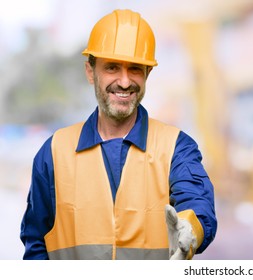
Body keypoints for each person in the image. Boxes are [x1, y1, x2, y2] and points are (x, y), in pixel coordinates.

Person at [20, 9, 217, 260]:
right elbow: (36, 244)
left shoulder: (176, 147)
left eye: (135, 69)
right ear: (91, 72)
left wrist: (191, 227)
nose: (124, 82)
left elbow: (196, 201)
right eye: (112, 67)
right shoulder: (55, 152)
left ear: (147, 74)